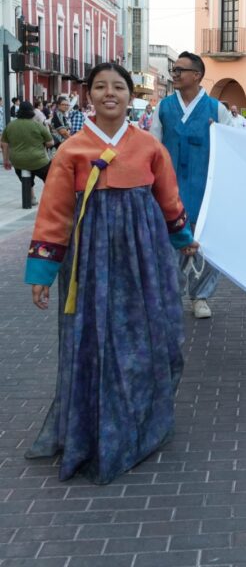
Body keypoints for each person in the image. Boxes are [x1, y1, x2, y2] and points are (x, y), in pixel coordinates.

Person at [23, 62, 198, 484]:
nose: (109, 94)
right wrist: (42, 272)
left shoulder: (150, 147)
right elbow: (55, 213)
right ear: (89, 96)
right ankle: (94, 428)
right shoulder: (71, 150)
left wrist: (184, 238)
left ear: (129, 95)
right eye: (100, 87)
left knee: (148, 335)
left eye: (117, 87)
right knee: (95, 338)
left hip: (145, 261)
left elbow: (169, 200)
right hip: (88, 262)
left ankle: (142, 418)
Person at [150, 51, 233, 319]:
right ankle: (172, 295)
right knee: (168, 245)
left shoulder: (216, 109)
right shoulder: (163, 108)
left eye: (179, 70)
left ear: (196, 75)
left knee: (206, 247)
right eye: (173, 70)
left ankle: (201, 296)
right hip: (169, 189)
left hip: (206, 190)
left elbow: (231, 149)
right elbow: (153, 148)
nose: (174, 75)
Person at [1, 101, 54, 206]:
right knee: (50, 176)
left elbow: (4, 144)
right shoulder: (37, 125)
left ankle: (31, 198)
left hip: (18, 161)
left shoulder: (10, 126)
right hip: (38, 160)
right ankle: (51, 198)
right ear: (32, 111)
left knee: (25, 177)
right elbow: (50, 143)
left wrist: (6, 160)